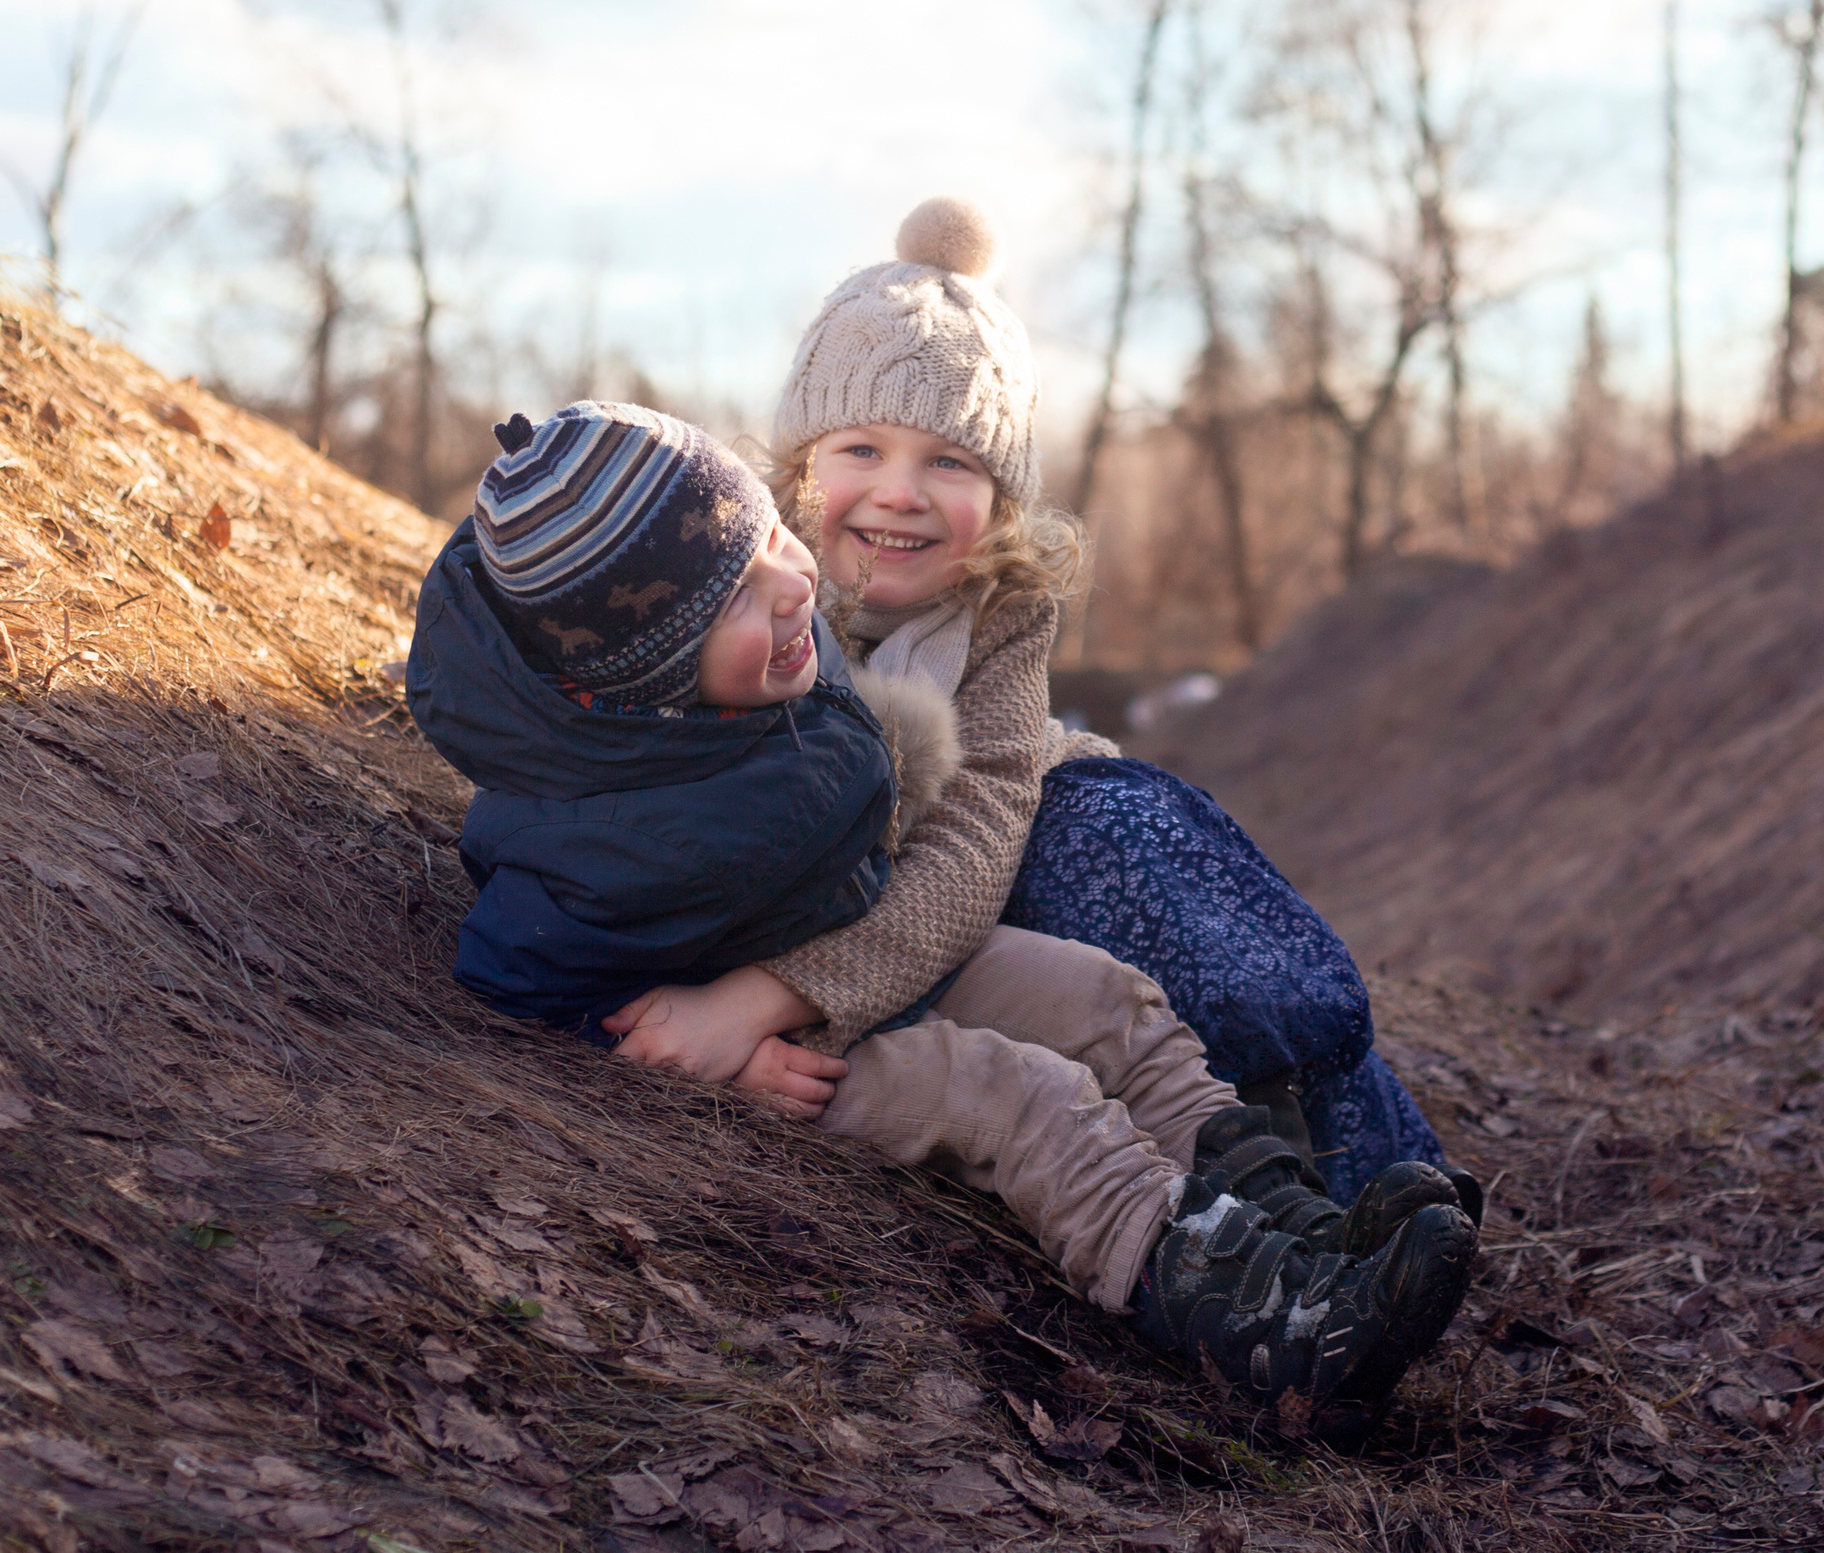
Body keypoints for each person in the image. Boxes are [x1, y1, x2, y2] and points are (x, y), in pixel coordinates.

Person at [405, 400, 1476, 1442]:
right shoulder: (593, 842)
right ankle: (1251, 1314)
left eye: (773, 538)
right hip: (782, 1066)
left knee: (1100, 997)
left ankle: (1294, 1230)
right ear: (639, 680)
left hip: (836, 960)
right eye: (735, 597)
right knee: (1015, 1094)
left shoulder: (757, 669)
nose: (793, 584)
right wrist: (691, 1052)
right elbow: (513, 979)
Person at [753, 195, 1478, 1217]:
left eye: (949, 460)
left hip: (1026, 835)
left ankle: (1382, 1182)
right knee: (1108, 906)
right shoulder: (746, 598)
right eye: (861, 450)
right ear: (799, 467)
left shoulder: (998, 607)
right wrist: (780, 1000)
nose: (901, 492)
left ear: (999, 501)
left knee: (1179, 902)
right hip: (915, 902)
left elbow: (978, 835)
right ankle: (1296, 1191)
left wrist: (787, 998)